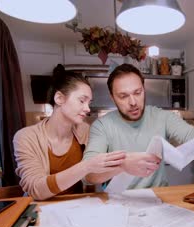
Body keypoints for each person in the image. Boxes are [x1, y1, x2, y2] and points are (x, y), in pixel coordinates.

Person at [83, 63, 194, 189]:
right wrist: (122, 166)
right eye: (123, 96)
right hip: (118, 202)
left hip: (158, 199)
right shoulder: (102, 126)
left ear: (144, 89)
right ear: (112, 97)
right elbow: (89, 174)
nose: (133, 102)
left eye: (138, 93)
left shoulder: (162, 116)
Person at [13, 64, 126, 200]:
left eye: (89, 103)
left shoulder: (85, 131)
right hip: (42, 211)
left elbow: (92, 177)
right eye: (82, 101)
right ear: (59, 98)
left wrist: (124, 166)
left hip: (78, 208)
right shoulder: (26, 137)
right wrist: (86, 166)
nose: (88, 108)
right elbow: (36, 190)